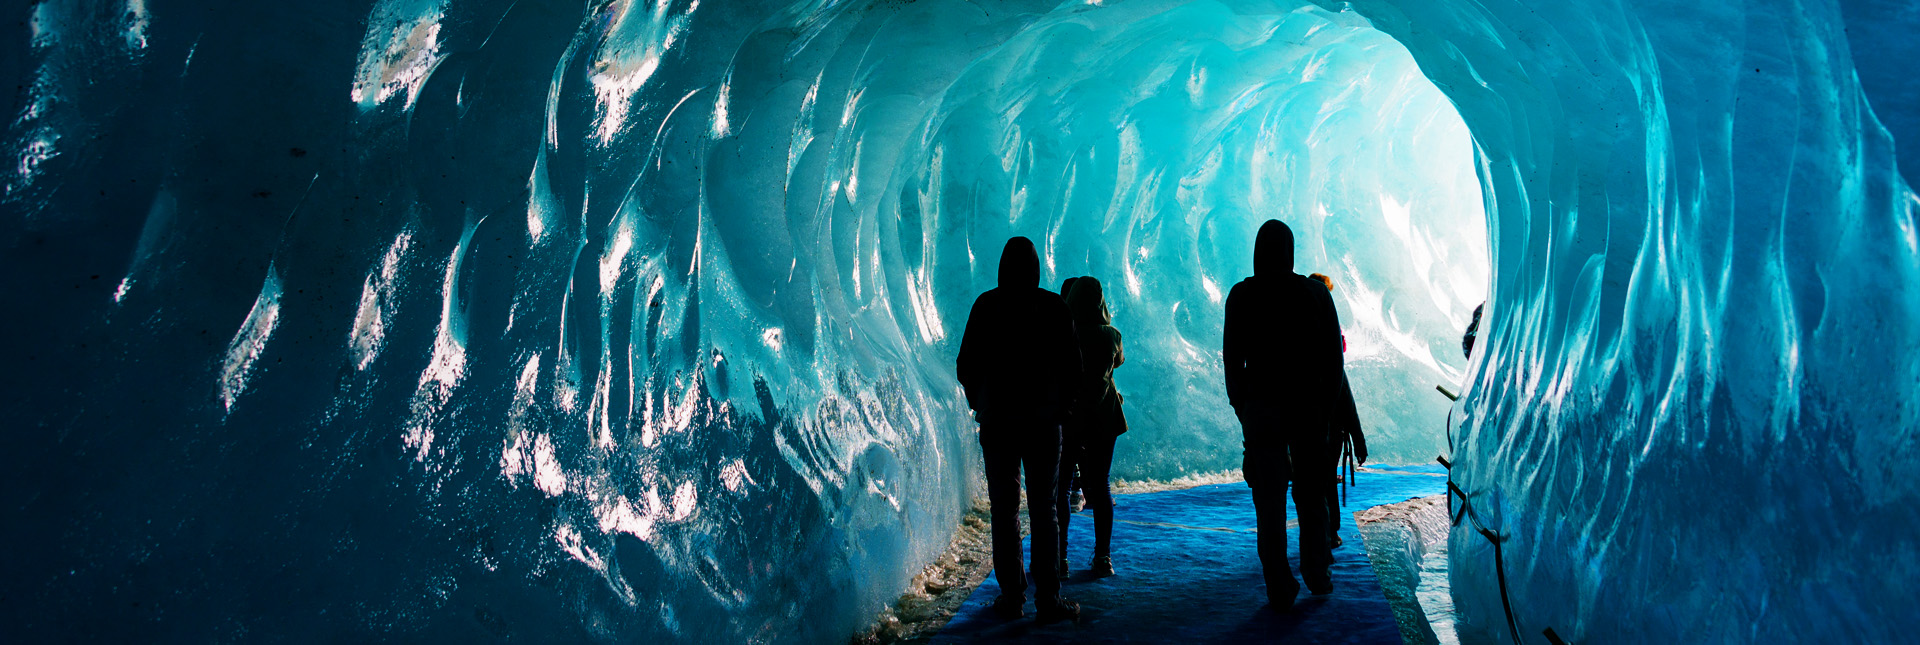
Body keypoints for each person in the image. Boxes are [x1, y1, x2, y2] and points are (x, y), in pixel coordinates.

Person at [955, 237, 1082, 623]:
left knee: (1004, 511)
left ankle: (1012, 597)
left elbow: (966, 364)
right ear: (1036, 268)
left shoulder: (986, 305)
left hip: (999, 423)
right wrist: (1062, 406)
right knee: (1045, 511)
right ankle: (1049, 599)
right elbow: (1074, 367)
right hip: (1044, 424)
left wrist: (982, 401)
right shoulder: (1053, 306)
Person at [1222, 220, 1347, 610]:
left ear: (1258, 251)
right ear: (1290, 252)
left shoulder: (1242, 295)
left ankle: (1279, 583)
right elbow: (1334, 359)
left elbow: (1231, 360)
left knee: (1269, 502)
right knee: (1311, 495)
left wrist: (1243, 407)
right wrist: (1325, 409)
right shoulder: (1315, 294)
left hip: (1262, 409)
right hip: (1308, 408)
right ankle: (1317, 572)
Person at [1055, 276, 1127, 579]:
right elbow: (1118, 362)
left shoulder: (1063, 333)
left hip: (1070, 416)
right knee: (1101, 484)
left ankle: (1060, 558)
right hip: (1105, 417)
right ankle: (1103, 557)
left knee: (1060, 487)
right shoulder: (1111, 335)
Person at [1306, 274, 1367, 550]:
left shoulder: (1304, 326)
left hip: (1311, 421)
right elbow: (1343, 392)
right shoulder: (1328, 329)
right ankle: (1329, 533)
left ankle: (1324, 533)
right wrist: (1357, 436)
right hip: (1329, 422)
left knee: (1316, 479)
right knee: (1325, 478)